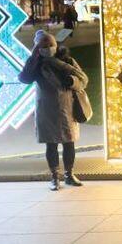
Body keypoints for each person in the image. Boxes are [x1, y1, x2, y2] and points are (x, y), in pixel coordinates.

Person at [18, 29, 88, 190]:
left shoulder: (66, 61)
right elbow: (25, 78)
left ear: (56, 44)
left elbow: (82, 79)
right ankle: (54, 176)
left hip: (67, 108)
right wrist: (33, 57)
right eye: (43, 46)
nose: (48, 48)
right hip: (46, 109)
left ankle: (69, 175)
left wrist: (72, 81)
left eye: (50, 44)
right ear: (37, 48)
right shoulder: (36, 64)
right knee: (51, 145)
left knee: (69, 142)